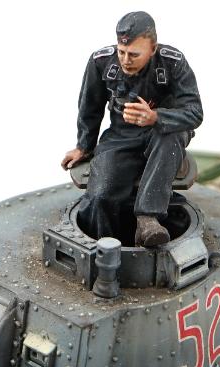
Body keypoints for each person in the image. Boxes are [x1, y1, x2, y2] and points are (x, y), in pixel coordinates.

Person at [61, 11, 203, 248]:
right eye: (121, 52)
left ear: (153, 48)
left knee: (170, 137)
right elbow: (90, 107)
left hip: (163, 134)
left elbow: (195, 112)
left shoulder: (173, 62)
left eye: (134, 54)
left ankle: (148, 218)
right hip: (121, 135)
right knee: (100, 196)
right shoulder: (101, 62)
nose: (126, 60)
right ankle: (104, 246)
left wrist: (156, 117)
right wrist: (84, 146)